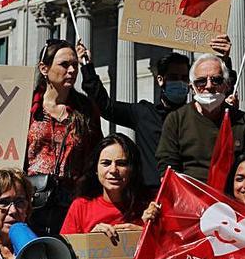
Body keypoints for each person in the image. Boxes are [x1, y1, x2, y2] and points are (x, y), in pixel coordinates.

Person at [76, 36, 232, 189]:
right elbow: (106, 106)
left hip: (191, 195)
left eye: (184, 78)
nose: (179, 82)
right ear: (160, 80)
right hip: (152, 196)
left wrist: (224, 60)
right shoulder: (144, 114)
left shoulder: (201, 115)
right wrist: (87, 67)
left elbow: (221, 98)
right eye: (173, 77)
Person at [25, 39, 102, 237]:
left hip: (71, 204)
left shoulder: (85, 109)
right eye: (64, 64)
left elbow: (95, 154)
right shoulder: (26, 106)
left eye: (75, 65)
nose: (72, 70)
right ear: (44, 68)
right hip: (29, 201)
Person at [156, 52, 245, 183]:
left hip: (230, 198)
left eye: (216, 80)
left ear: (227, 85)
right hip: (191, 197)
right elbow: (168, 168)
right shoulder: (176, 120)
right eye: (201, 81)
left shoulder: (243, 121)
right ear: (192, 87)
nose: (209, 86)